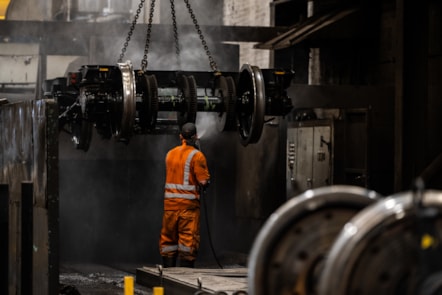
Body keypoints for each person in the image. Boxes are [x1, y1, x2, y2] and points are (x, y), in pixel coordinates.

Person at [159, 122, 210, 268]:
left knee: (168, 240)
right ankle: (184, 276)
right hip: (188, 209)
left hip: (169, 207)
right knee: (188, 243)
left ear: (180, 136)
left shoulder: (170, 154)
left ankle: (168, 274)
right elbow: (203, 181)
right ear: (195, 136)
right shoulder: (197, 156)